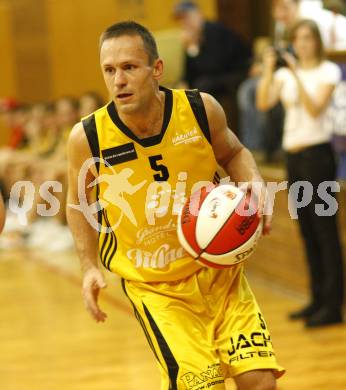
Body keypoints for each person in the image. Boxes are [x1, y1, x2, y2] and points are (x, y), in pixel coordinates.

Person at [66, 21, 284, 389]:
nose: (118, 80)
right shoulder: (88, 137)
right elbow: (76, 203)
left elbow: (233, 152)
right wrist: (89, 266)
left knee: (260, 381)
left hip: (220, 275)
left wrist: (255, 183)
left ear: (157, 69)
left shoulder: (200, 109)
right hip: (157, 289)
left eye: (129, 67)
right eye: (110, 70)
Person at [257, 19, 344, 327]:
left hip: (318, 157)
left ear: (317, 41)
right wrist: (269, 68)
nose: (303, 43)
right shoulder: (283, 74)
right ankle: (316, 298)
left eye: (308, 38)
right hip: (293, 159)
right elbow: (264, 101)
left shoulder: (328, 72)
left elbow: (315, 108)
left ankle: (332, 305)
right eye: (298, 38)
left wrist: (295, 72)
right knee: (306, 229)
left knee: (325, 230)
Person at [173, 1, 251, 127]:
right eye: (181, 20)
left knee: (202, 85)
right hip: (217, 75)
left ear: (199, 15)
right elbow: (190, 72)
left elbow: (213, 67)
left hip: (236, 72)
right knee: (180, 90)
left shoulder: (214, 30)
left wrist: (192, 48)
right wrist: (182, 83)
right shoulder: (192, 37)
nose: (184, 23)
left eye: (186, 17)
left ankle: (208, 132)